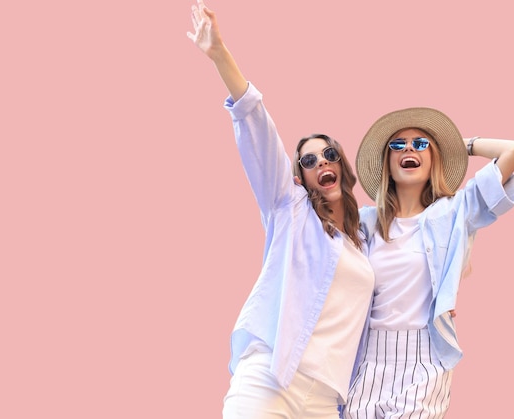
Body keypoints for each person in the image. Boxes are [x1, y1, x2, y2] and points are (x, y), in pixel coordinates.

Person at [186, 2, 375, 418]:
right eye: (308, 160)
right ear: (300, 177)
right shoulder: (289, 208)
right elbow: (257, 128)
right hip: (272, 382)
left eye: (328, 153)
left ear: (342, 164)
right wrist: (220, 54)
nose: (320, 162)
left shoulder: (365, 242)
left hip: (327, 401)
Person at [343, 107, 514, 418]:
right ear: (388, 163)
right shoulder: (365, 222)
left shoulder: (454, 212)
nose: (409, 148)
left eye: (421, 144)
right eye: (397, 145)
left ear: (434, 160)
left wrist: (459, 145)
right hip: (367, 355)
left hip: (424, 355)